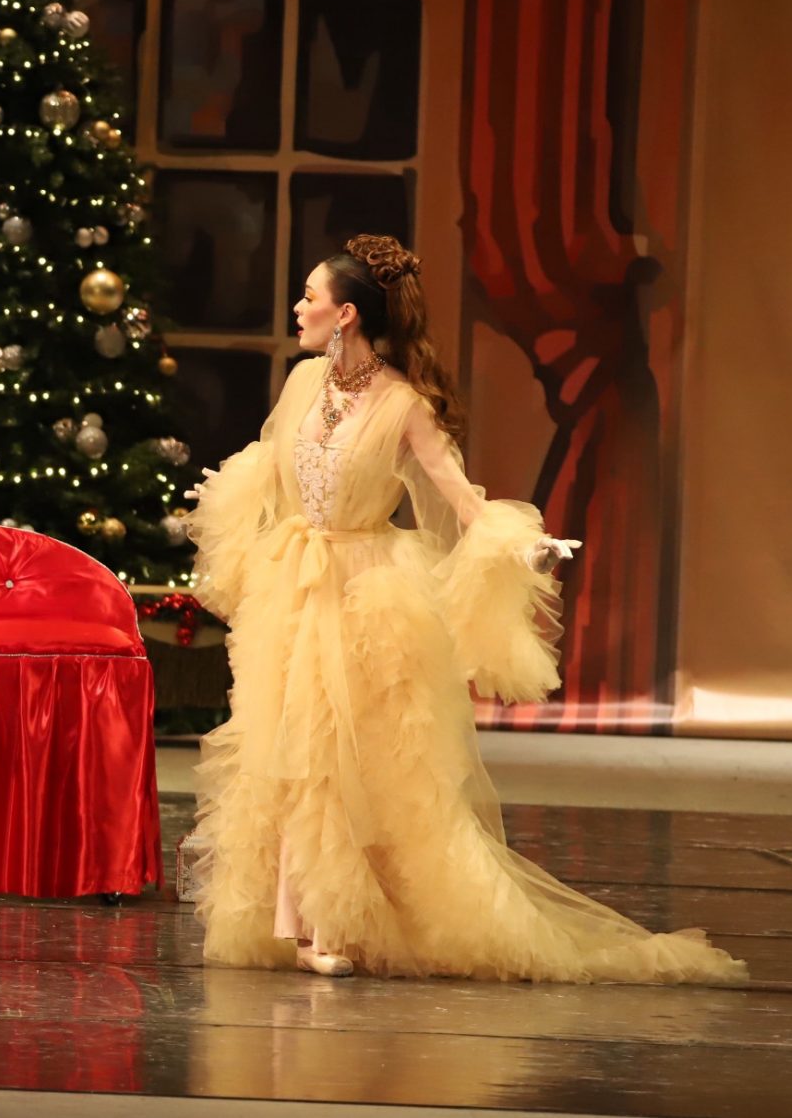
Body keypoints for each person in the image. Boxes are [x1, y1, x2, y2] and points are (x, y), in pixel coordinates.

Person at [185, 234, 745, 984]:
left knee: (346, 759)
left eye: (310, 296)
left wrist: (523, 546)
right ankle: (294, 919)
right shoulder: (302, 383)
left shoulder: (401, 405)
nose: (298, 307)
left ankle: (333, 923)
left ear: (346, 314)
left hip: (364, 591)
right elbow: (270, 463)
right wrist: (224, 503)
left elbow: (458, 494)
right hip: (295, 584)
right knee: (288, 751)